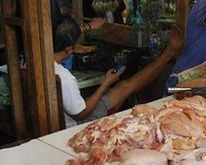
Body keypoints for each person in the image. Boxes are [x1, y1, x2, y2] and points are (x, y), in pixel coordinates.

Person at [53, 18, 183, 127]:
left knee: (120, 87)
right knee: (125, 86)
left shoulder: (41, 60)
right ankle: (169, 52)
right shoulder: (65, 78)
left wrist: (88, 27)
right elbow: (82, 113)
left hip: (66, 114)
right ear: (69, 50)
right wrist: (106, 83)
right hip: (78, 122)